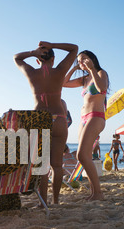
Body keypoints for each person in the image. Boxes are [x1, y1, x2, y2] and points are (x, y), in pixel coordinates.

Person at [14, 41, 78, 206]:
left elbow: (17, 58)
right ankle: (55, 201)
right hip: (59, 118)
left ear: (37, 60)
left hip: (40, 119)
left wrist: (32, 52)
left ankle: (43, 203)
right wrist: (52, 45)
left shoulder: (31, 73)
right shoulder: (60, 71)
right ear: (54, 59)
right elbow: (74, 48)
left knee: (42, 166)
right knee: (57, 165)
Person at [63, 50, 109, 200]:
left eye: (84, 59)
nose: (81, 62)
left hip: (96, 117)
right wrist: (75, 68)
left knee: (82, 155)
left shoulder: (101, 73)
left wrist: (91, 69)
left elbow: (101, 88)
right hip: (83, 119)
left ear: (92, 59)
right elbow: (63, 83)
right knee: (85, 156)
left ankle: (99, 193)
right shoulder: (84, 79)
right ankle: (94, 192)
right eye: (79, 61)